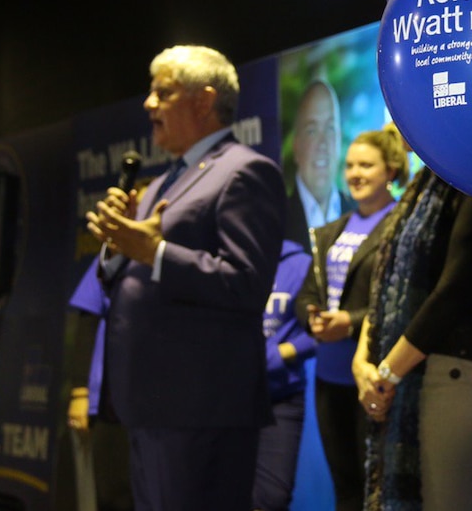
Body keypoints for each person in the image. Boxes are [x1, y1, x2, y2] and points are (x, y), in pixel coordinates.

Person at [85, 45, 286, 511]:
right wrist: (118, 250)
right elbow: (128, 276)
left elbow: (245, 282)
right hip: (151, 402)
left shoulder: (245, 172)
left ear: (203, 100)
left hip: (201, 407)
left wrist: (153, 250)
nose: (148, 104)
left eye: (163, 93)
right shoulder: (159, 184)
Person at [353, 166, 472, 511]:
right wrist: (363, 362)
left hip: (457, 373)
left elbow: (454, 291)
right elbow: (384, 289)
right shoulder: (419, 188)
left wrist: (387, 374)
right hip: (407, 375)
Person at [295, 125, 409, 511]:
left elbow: (401, 300)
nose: (355, 173)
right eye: (350, 165)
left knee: (376, 491)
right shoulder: (330, 231)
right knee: (344, 489)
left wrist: (351, 321)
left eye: (366, 165)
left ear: (391, 171)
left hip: (376, 377)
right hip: (329, 377)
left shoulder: (403, 227)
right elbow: (310, 289)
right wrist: (312, 316)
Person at [67, 255, 134, 511]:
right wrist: (80, 391)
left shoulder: (179, 254)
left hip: (155, 402)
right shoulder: (111, 255)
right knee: (111, 494)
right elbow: (88, 319)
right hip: (109, 404)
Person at [254, 239, 316, 511]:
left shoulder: (300, 264)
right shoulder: (218, 257)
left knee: (273, 498)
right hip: (225, 398)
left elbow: (320, 329)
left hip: (281, 396)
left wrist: (279, 355)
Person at [285, 79, 354, 248]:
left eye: (330, 128)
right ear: (296, 145)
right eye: (312, 130)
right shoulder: (274, 222)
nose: (322, 143)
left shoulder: (361, 213)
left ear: (339, 138)